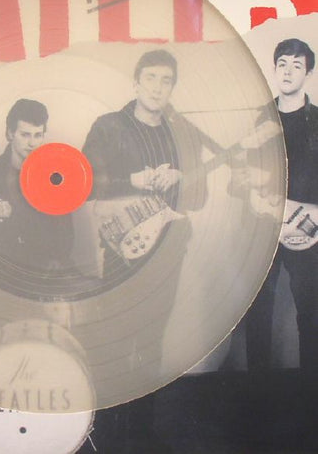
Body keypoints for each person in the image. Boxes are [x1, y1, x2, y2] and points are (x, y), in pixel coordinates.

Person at [81, 49, 213, 450]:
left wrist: (181, 179)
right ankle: (105, 434)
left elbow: (199, 199)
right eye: (151, 79)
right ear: (136, 83)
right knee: (114, 335)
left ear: (173, 88)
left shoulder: (182, 134)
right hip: (120, 250)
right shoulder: (109, 126)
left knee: (152, 340)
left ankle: (140, 435)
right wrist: (133, 180)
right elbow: (83, 183)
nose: (157, 88)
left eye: (166, 81)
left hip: (166, 251)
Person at [236, 39, 318, 384]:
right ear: (274, 69)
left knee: (311, 312)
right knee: (258, 311)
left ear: (308, 73)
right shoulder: (258, 121)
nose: (287, 71)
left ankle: (312, 394)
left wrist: (313, 217)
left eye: (296, 65)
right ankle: (258, 393)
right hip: (264, 229)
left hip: (309, 230)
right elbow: (238, 180)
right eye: (282, 63)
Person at [0, 98, 75, 301]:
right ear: (9, 133)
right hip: (1, 275)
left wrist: (54, 264)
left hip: (45, 277)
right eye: (25, 135)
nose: (32, 143)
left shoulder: (55, 174)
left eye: (38, 135)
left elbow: (66, 235)